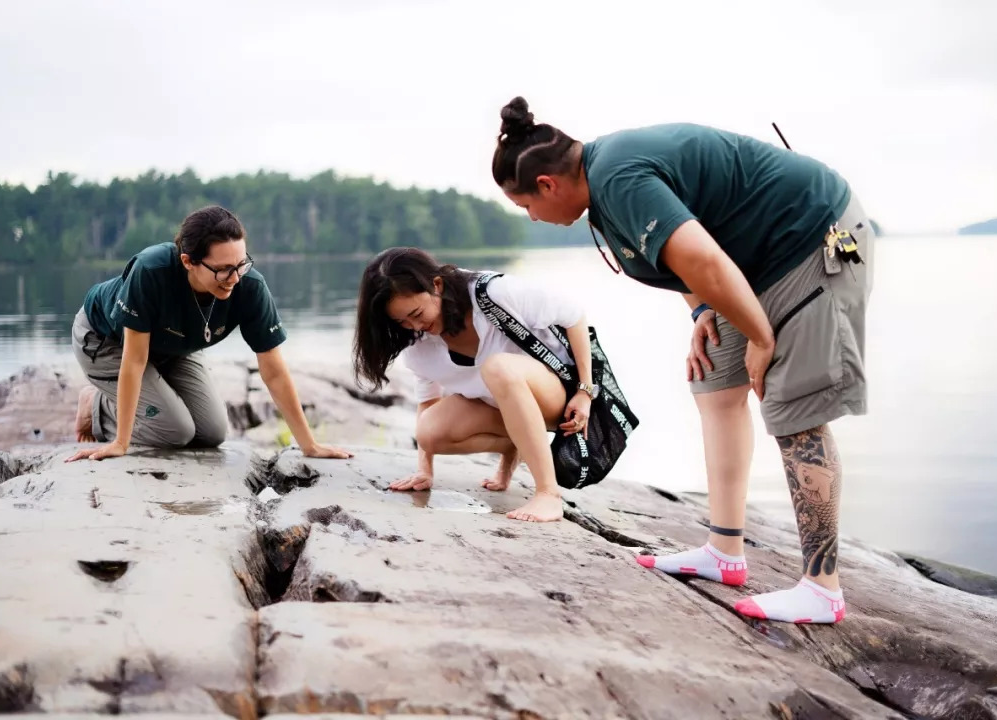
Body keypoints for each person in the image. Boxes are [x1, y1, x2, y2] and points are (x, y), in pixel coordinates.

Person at [490, 97, 875, 624]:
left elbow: (702, 256)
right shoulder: (602, 187)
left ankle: (822, 587)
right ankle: (724, 552)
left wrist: (762, 337)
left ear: (547, 185)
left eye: (526, 207)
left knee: (794, 410)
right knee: (715, 386)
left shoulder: (619, 177)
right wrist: (701, 311)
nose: (533, 217)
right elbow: (687, 252)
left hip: (812, 239)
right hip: (755, 263)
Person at [66, 205, 353, 463]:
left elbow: (274, 372)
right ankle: (97, 406)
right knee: (176, 432)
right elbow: (135, 360)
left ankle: (139, 399)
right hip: (109, 341)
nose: (235, 278)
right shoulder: (151, 270)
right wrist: (121, 443)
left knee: (213, 432)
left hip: (172, 347)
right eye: (224, 269)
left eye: (242, 264)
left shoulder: (249, 285)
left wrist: (309, 445)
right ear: (188, 261)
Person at [352, 246, 598, 522]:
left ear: (436, 285)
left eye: (417, 313)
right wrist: (425, 470)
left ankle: (548, 495)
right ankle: (512, 446)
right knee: (429, 432)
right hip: (507, 410)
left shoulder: (494, 294)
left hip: (557, 397)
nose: (415, 326)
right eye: (402, 322)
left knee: (498, 367)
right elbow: (428, 403)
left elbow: (574, 316)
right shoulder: (419, 347)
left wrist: (584, 391)